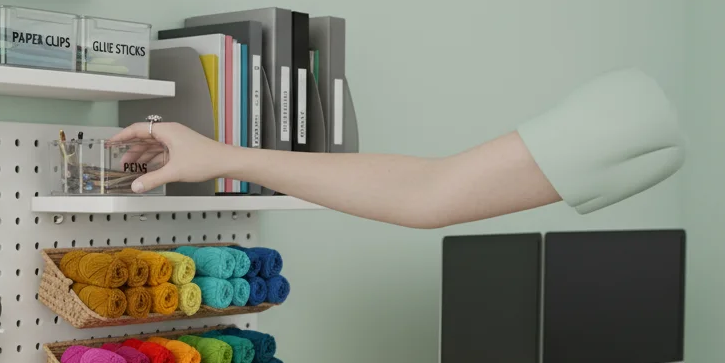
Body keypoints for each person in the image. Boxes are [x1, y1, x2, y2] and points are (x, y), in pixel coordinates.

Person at [110, 68, 685, 228]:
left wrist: (226, 155)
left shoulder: (636, 108)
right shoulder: (638, 110)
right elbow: (428, 192)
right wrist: (222, 156)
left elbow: (428, 193)